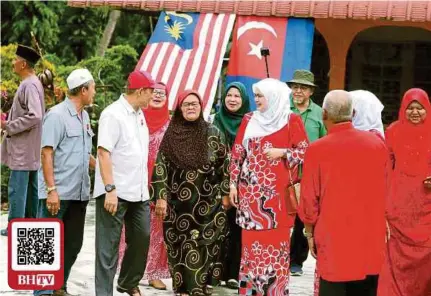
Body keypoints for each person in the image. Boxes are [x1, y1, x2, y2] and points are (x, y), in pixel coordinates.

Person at [299, 90, 389, 296]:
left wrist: (310, 233)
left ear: (324, 115)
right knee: (366, 288)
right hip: (369, 234)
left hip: (334, 237)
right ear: (353, 112)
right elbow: (387, 190)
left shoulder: (317, 149)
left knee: (334, 287)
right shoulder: (377, 145)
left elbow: (309, 199)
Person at [229, 78, 309, 296]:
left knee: (276, 247)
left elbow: (305, 152)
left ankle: (275, 291)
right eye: (255, 96)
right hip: (249, 195)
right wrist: (232, 184)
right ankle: (249, 292)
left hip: (277, 200)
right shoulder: (248, 119)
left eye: (260, 96)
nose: (256, 100)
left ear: (273, 97)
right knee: (251, 248)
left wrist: (282, 152)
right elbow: (237, 153)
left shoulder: (291, 120)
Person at [152, 90, 230, 296]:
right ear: (179, 108)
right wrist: (161, 196)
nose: (191, 107)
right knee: (179, 245)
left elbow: (224, 164)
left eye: (194, 104)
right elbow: (160, 167)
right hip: (177, 204)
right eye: (186, 104)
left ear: (201, 106)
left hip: (207, 204)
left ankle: (198, 287)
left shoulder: (213, 132)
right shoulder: (170, 134)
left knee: (203, 244)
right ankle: (182, 287)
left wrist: (225, 193)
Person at [34, 68, 96, 296]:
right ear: (83, 90)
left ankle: (59, 286)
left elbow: (83, 152)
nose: (95, 93)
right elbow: (46, 153)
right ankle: (42, 293)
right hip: (57, 194)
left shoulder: (85, 117)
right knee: (45, 246)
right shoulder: (56, 115)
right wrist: (51, 190)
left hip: (79, 194)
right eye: (93, 88)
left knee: (73, 245)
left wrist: (103, 169)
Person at [93, 70, 155, 296]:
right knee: (107, 248)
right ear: (140, 91)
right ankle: (103, 293)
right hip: (115, 192)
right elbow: (103, 153)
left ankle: (128, 281)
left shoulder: (139, 113)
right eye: (151, 92)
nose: (153, 97)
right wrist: (109, 189)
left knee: (142, 237)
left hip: (138, 193)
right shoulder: (113, 114)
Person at [377, 88, 431, 296]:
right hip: (398, 205)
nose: (415, 112)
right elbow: (385, 168)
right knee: (394, 260)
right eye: (410, 108)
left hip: (426, 206)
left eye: (420, 108)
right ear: (403, 109)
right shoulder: (393, 131)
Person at [117, 83, 171, 290]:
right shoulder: (137, 119)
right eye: (154, 92)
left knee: (156, 232)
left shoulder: (171, 125)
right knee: (130, 230)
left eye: (162, 94)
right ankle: (128, 271)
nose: (158, 96)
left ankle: (153, 273)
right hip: (133, 182)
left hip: (158, 185)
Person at [0, 45, 45, 236]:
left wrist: (8, 126)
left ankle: (15, 227)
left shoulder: (29, 84)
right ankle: (28, 224)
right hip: (30, 148)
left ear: (23, 64)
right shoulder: (33, 82)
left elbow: (35, 115)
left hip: (23, 148)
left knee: (17, 189)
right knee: (30, 188)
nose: (12, 63)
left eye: (15, 59)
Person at [287, 69, 326, 276]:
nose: (298, 90)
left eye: (303, 87)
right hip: (283, 172)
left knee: (303, 217)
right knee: (283, 216)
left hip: (307, 174)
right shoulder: (283, 109)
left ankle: (296, 261)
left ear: (311, 91)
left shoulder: (320, 114)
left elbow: (325, 142)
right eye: (295, 86)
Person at [212, 81, 250, 289]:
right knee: (217, 228)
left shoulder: (250, 123)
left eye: (237, 96)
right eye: (229, 95)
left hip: (243, 183)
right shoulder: (215, 120)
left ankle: (234, 273)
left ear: (243, 100)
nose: (232, 99)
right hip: (217, 181)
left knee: (237, 229)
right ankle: (215, 272)